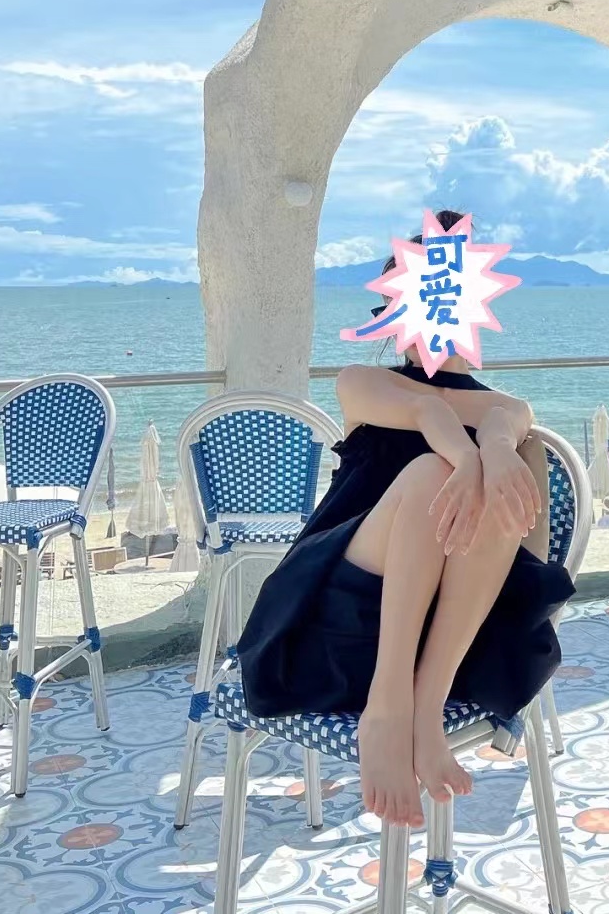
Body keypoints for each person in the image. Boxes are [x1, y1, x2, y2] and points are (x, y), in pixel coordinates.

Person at [237, 211, 575, 831]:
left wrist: (500, 446)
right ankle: (388, 705)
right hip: (341, 616)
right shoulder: (362, 382)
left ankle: (421, 708)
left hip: (458, 637)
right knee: (430, 473)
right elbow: (428, 411)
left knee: (485, 479)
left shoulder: (508, 411)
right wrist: (470, 454)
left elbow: (505, 438)